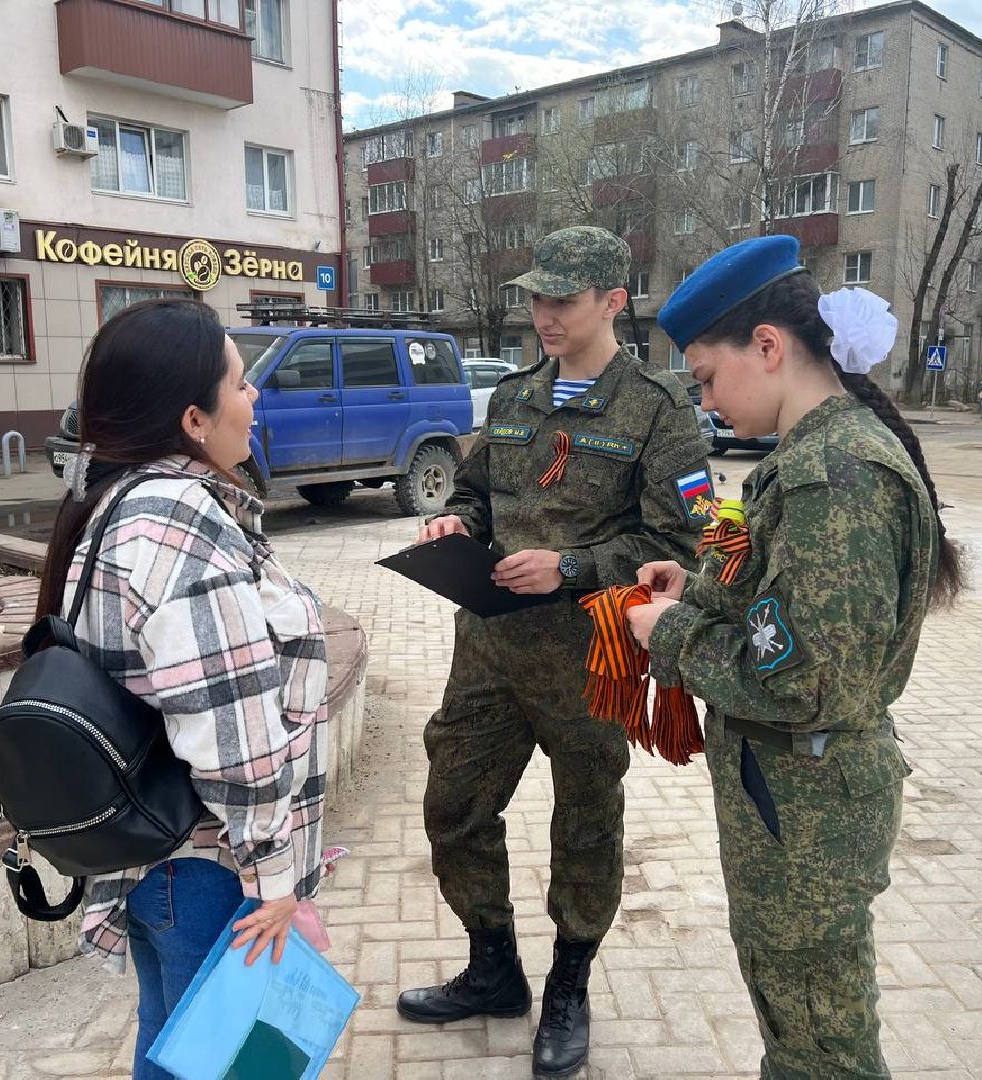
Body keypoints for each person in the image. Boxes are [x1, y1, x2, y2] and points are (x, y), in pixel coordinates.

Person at [626, 235, 965, 1079]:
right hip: (787, 795)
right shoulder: (806, 458)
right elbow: (783, 598)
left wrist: (669, 633)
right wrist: (699, 583)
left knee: (822, 1039)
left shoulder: (835, 476)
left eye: (706, 377)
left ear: (768, 347)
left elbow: (810, 681)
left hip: (807, 803)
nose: (704, 400)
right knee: (795, 1010)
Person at [397, 226, 713, 1078]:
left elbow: (681, 542)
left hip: (590, 660)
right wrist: (455, 522)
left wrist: (571, 566)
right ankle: (493, 968)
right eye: (536, 297)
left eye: (562, 300)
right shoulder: (512, 397)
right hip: (490, 654)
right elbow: (475, 491)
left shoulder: (658, 407)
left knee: (585, 824)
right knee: (453, 805)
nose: (543, 314)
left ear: (614, 300)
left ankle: (569, 984)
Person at [36, 299, 330, 1079]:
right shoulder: (177, 523)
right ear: (195, 419)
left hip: (158, 868)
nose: (255, 396)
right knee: (226, 1065)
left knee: (175, 1055)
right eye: (240, 382)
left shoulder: (116, 503)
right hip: (210, 871)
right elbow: (231, 740)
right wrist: (276, 884)